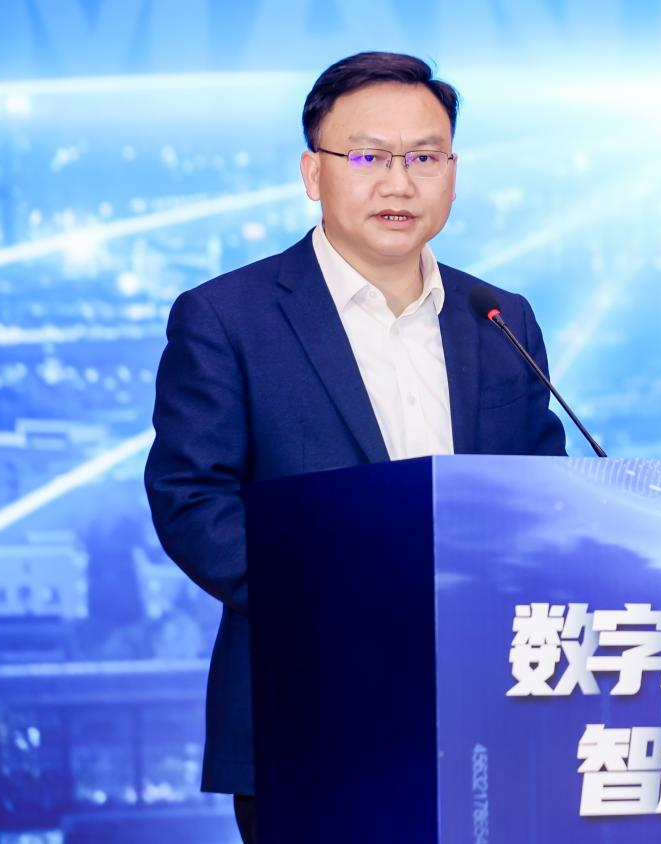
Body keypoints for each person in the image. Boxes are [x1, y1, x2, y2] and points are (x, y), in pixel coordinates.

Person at [144, 52, 566, 843]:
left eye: (424, 159)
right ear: (314, 172)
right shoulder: (228, 318)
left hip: (487, 715)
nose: (398, 183)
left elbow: (541, 499)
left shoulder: (499, 317)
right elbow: (192, 502)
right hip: (310, 711)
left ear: (452, 175)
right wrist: (355, 605)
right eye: (369, 158)